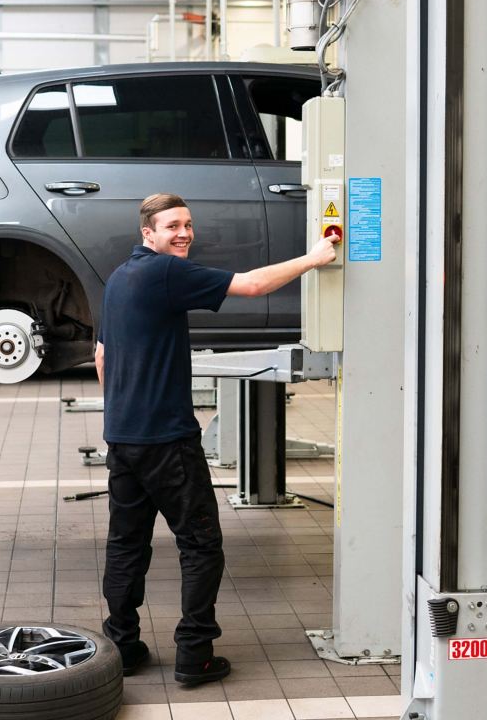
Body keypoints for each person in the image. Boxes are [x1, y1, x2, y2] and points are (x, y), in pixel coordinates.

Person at [95, 193, 339, 686]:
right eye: (172, 227)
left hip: (123, 440)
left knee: (126, 545)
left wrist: (125, 409)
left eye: (187, 224)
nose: (183, 233)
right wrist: (316, 257)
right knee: (201, 544)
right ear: (149, 233)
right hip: (168, 441)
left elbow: (101, 355)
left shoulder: (120, 277)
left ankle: (123, 644)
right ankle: (194, 654)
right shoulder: (165, 272)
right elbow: (251, 285)